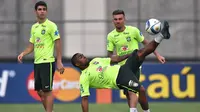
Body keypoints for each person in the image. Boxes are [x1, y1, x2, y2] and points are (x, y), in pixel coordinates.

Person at [71, 20, 170, 112]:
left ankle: (161, 35)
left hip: (123, 68)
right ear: (77, 64)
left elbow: (115, 59)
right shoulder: (84, 77)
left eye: (82, 55)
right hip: (119, 79)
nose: (83, 56)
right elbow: (84, 99)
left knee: (141, 53)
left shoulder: (95, 61)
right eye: (80, 57)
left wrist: (129, 55)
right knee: (140, 90)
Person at [107, 9, 165, 112]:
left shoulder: (133, 30)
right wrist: (114, 60)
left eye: (120, 19)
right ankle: (140, 110)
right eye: (115, 19)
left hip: (136, 63)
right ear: (113, 21)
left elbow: (147, 44)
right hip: (122, 67)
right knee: (128, 92)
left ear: (124, 19)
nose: (118, 21)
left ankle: (136, 110)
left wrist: (157, 55)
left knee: (131, 90)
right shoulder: (111, 36)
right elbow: (110, 55)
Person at [17, 1, 64, 112]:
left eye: (44, 9)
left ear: (46, 11)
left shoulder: (51, 25)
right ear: (35, 12)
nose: (42, 11)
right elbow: (31, 46)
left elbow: (58, 42)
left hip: (47, 62)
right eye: (40, 9)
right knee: (39, 91)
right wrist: (23, 53)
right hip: (37, 63)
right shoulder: (34, 27)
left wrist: (59, 61)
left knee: (47, 91)